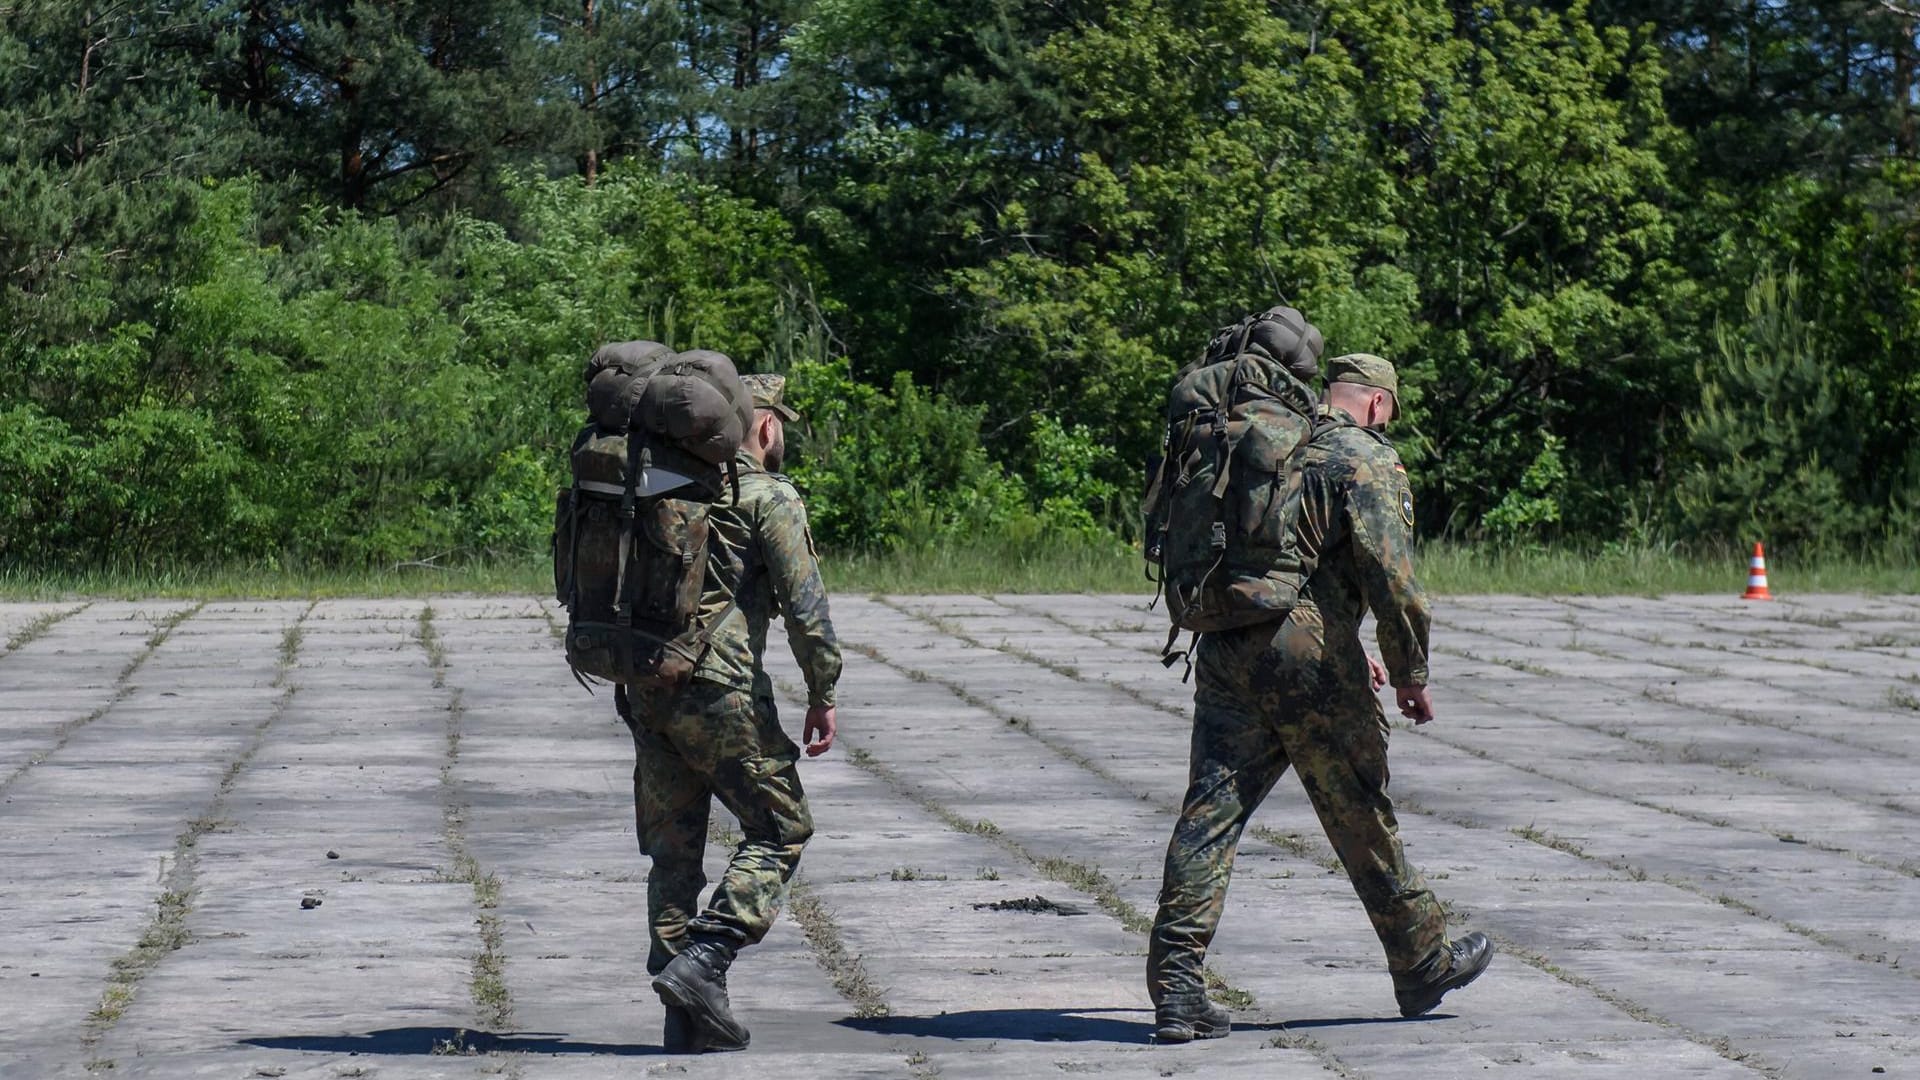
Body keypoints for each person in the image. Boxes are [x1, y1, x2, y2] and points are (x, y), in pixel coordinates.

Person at [1145, 353, 1491, 1042]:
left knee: (1210, 811)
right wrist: (1411, 673)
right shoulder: (1363, 457)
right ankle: (1422, 959)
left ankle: (1177, 985)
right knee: (1357, 805)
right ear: (1377, 404)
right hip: (1304, 657)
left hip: (1226, 644)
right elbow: (1391, 582)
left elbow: (1292, 563)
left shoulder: (1267, 441)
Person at [619, 372, 841, 1053]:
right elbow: (807, 611)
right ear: (765, 427)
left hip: (647, 686)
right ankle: (705, 961)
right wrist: (823, 690)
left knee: (674, 851)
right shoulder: (767, 495)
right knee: (781, 829)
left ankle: (684, 1017)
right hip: (720, 690)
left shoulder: (655, 485)